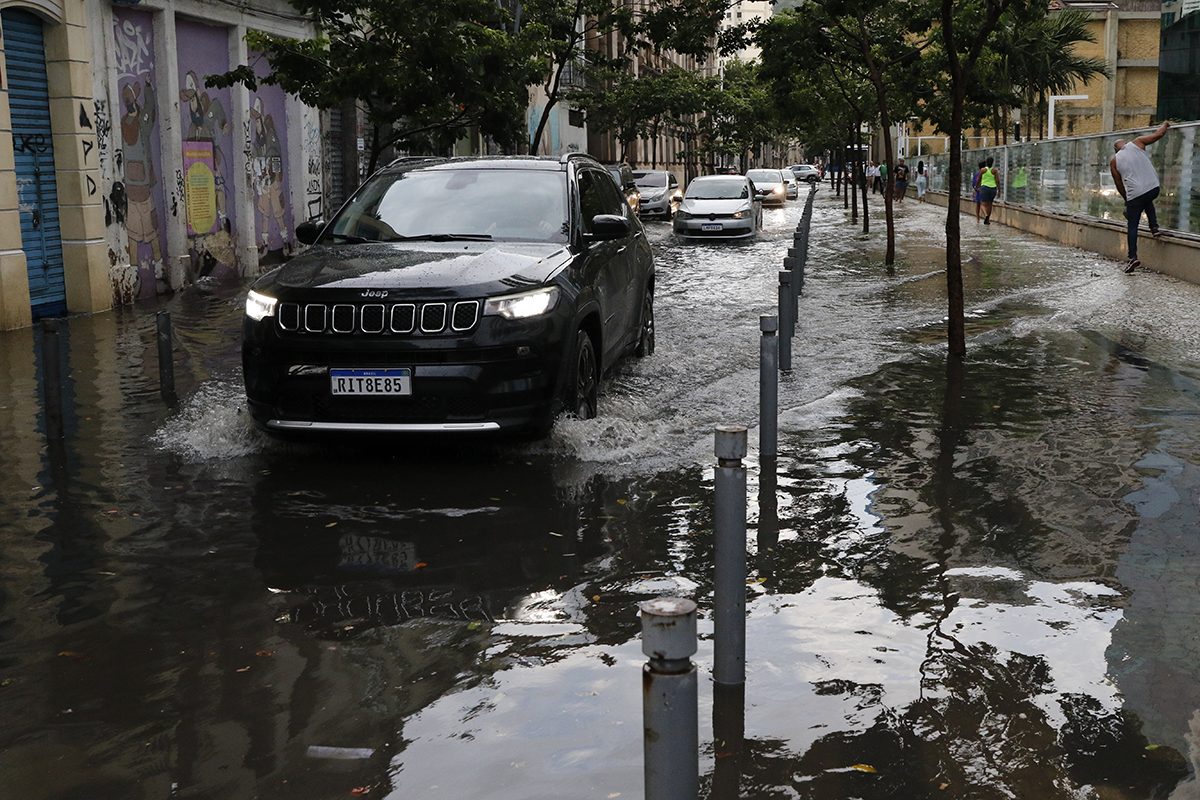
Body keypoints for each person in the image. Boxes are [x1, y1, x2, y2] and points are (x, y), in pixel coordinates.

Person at [1110, 120, 1171, 273]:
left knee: (1132, 225)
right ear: (1125, 143)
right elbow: (1159, 134)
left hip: (1134, 195)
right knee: (1146, 199)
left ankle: (1133, 258)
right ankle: (1154, 228)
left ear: (1116, 150)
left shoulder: (1114, 161)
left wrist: (1127, 200)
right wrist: (1165, 124)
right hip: (1153, 188)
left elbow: (1118, 184)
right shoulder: (1137, 142)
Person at [979, 156, 999, 224]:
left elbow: (979, 179)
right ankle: (988, 220)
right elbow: (997, 181)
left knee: (982, 203)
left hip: (984, 188)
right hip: (993, 188)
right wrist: (999, 190)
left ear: (986, 162)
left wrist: (976, 186)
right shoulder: (995, 170)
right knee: (990, 204)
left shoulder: (983, 170)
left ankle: (986, 215)